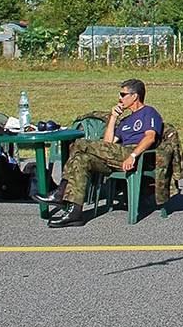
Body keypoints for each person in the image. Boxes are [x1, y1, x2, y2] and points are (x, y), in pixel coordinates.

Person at [34, 78, 163, 228]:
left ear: (135, 96)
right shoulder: (126, 121)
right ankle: (74, 213)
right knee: (81, 159)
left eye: (123, 94)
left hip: (134, 154)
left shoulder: (149, 112)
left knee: (80, 144)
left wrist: (133, 156)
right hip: (117, 154)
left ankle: (61, 192)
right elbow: (107, 144)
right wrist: (113, 118)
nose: (119, 98)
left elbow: (150, 137)